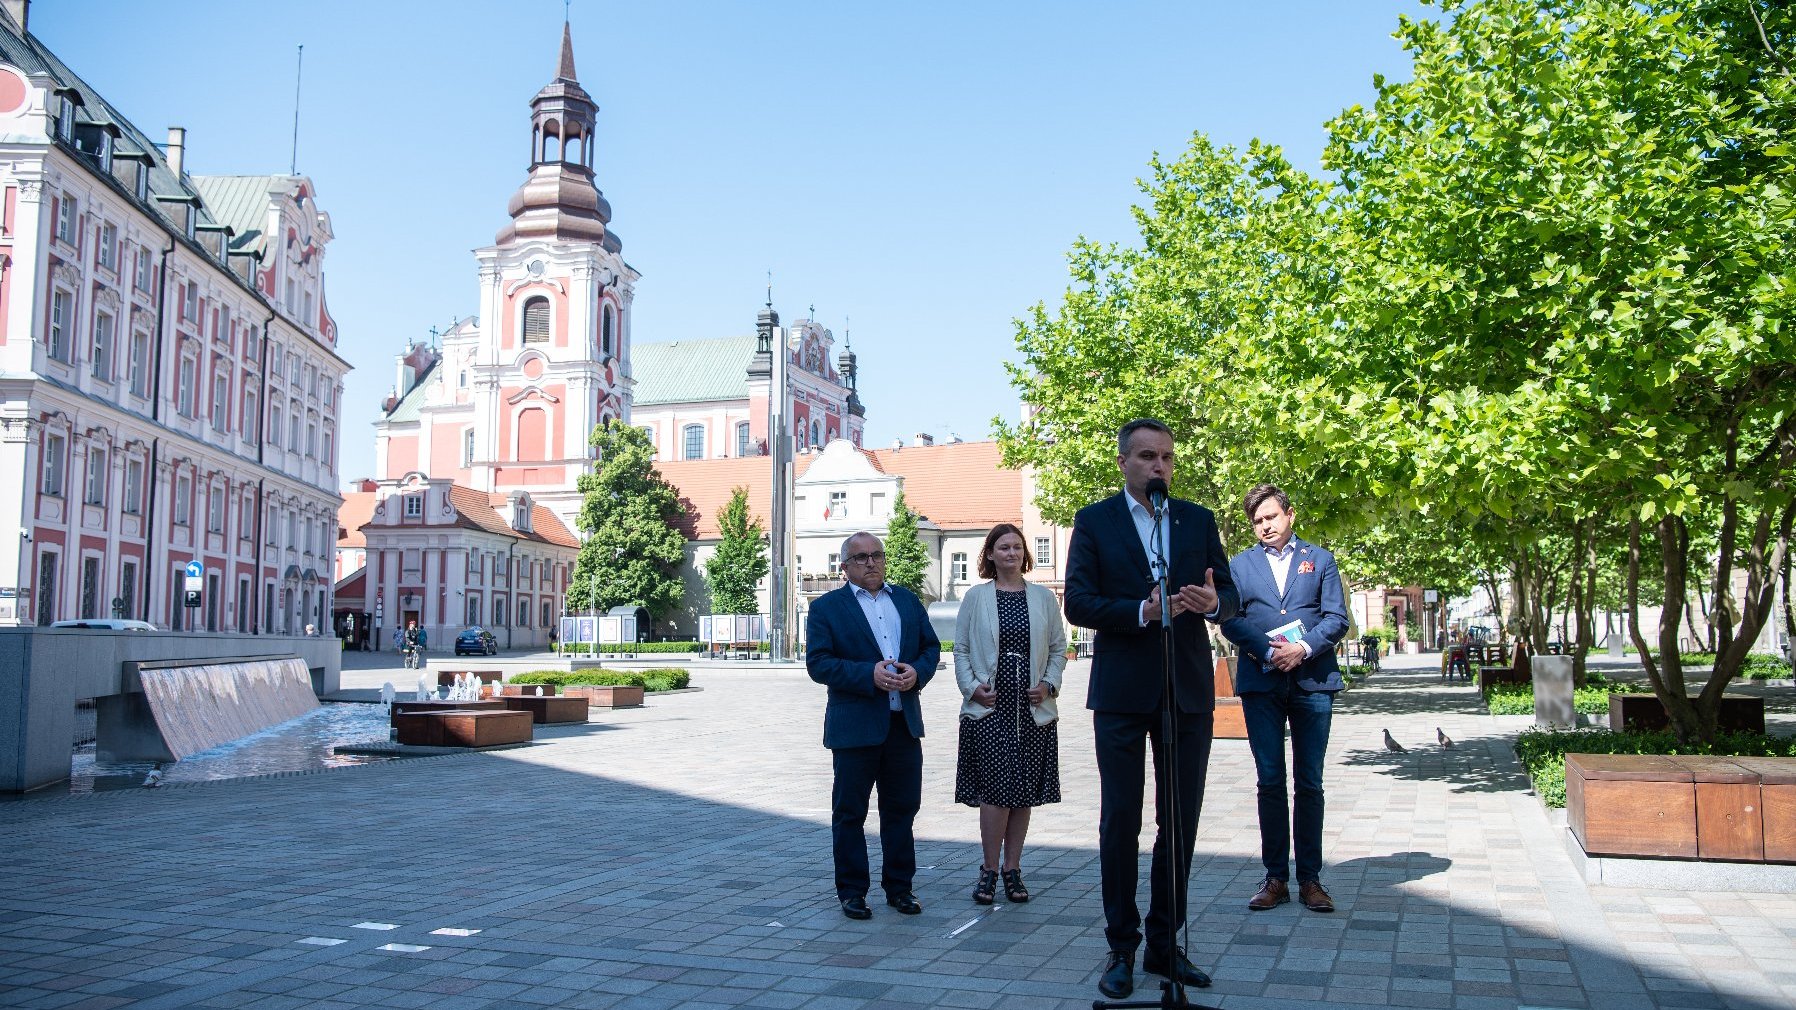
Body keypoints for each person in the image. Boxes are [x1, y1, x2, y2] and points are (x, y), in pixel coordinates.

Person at [1064, 418, 1238, 1000]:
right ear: (1123, 462)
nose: (1158, 466)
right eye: (1146, 456)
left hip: (1185, 689)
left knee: (1180, 819)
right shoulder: (1094, 521)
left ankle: (1167, 942)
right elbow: (1081, 602)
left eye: (1166, 456)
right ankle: (1121, 946)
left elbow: (1231, 592)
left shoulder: (1196, 519)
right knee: (1121, 821)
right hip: (1119, 693)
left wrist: (1214, 602)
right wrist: (1140, 610)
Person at [1219, 483, 1350, 915]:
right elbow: (1230, 620)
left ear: (1289, 515)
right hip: (1262, 682)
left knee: (1309, 781)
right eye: (1257, 521)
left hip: (1312, 683)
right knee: (1270, 780)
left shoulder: (1322, 560)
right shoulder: (1240, 566)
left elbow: (1336, 619)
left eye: (1271, 517)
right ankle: (1275, 877)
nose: (1265, 526)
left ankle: (1311, 879)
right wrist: (1265, 648)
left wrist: (1304, 648)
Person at [806, 531, 941, 921]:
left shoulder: (908, 601)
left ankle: (900, 888)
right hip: (854, 728)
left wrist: (917, 672)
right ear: (844, 566)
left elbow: (930, 649)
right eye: (861, 557)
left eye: (876, 555)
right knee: (850, 813)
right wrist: (869, 674)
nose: (870, 563)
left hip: (902, 725)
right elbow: (819, 663)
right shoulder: (827, 608)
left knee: (902, 810)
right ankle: (852, 892)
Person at [953, 523, 1067, 905]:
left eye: (1017, 547)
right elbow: (962, 649)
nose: (1012, 553)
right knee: (995, 791)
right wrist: (972, 688)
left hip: (1032, 707)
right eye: (1004, 547)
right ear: (990, 554)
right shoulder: (976, 597)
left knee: (1022, 793)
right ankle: (988, 869)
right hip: (990, 706)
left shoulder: (1043, 598)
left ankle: (1012, 869)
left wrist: (1049, 684)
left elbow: (1057, 648)